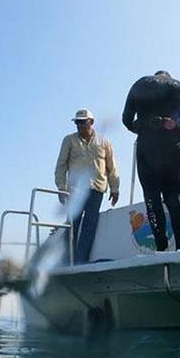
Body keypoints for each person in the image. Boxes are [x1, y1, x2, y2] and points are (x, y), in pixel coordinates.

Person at [122, 70, 180, 251]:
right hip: (171, 149)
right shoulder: (179, 86)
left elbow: (126, 120)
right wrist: (179, 126)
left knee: (151, 199)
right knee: (171, 197)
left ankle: (161, 245)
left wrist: (145, 125)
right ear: (168, 77)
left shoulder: (139, 84)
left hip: (147, 148)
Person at [55, 109, 120, 264]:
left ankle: (80, 261)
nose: (79, 125)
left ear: (91, 122)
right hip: (74, 190)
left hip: (96, 189)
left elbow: (112, 167)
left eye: (82, 121)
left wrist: (115, 188)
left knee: (90, 227)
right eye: (77, 122)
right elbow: (61, 165)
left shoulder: (105, 142)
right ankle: (67, 261)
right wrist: (61, 187)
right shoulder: (69, 140)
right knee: (72, 225)